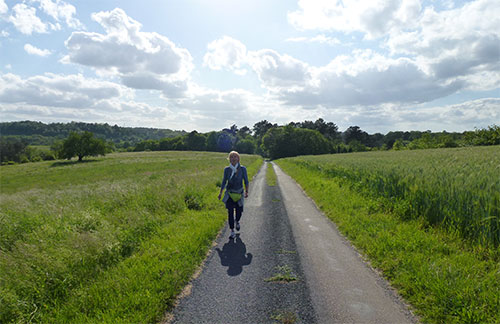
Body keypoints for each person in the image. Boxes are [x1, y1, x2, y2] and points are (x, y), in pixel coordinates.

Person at [218, 151, 249, 239]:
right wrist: (220, 192)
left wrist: (247, 191)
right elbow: (224, 181)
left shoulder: (243, 169)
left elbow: (246, 180)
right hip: (229, 193)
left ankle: (237, 221)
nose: (233, 159)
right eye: (231, 157)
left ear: (238, 159)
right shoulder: (227, 169)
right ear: (229, 159)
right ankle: (232, 231)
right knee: (230, 212)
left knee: (239, 211)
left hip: (239, 193)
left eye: (235, 157)